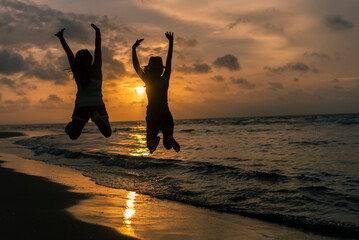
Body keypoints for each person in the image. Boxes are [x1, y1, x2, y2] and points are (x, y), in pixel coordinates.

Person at [55, 24, 111, 140]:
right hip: (97, 104)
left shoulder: (78, 73)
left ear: (78, 62)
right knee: (107, 133)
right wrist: (98, 32)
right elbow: (98, 49)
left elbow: (69, 54)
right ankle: (97, 118)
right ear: (91, 60)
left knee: (73, 136)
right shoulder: (96, 70)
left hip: (81, 106)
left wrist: (61, 37)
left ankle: (71, 126)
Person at [132, 32, 180, 154]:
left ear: (150, 68)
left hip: (153, 113)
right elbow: (169, 61)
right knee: (168, 146)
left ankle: (154, 140)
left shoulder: (147, 80)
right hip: (165, 112)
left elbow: (136, 66)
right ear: (160, 69)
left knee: (150, 146)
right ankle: (169, 138)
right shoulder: (165, 79)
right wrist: (170, 43)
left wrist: (133, 49)